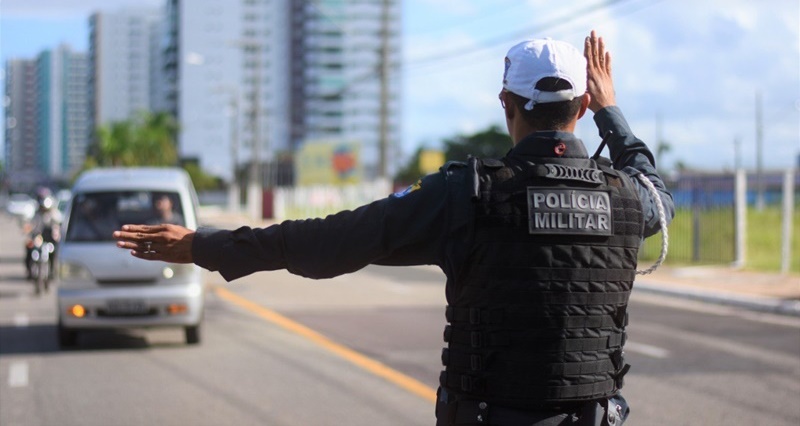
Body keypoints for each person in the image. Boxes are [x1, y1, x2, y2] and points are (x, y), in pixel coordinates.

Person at [114, 31, 674, 425]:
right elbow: (657, 193)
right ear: (583, 106)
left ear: (507, 103)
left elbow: (333, 240)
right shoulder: (629, 199)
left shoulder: (467, 192)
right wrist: (613, 113)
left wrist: (206, 245)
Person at [24, 189, 63, 279]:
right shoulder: (37, 213)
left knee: (54, 252)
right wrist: (28, 229)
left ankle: (52, 271)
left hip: (50, 238)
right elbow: (31, 224)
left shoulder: (54, 213)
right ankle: (29, 271)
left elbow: (58, 224)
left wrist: (56, 231)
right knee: (29, 247)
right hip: (38, 237)